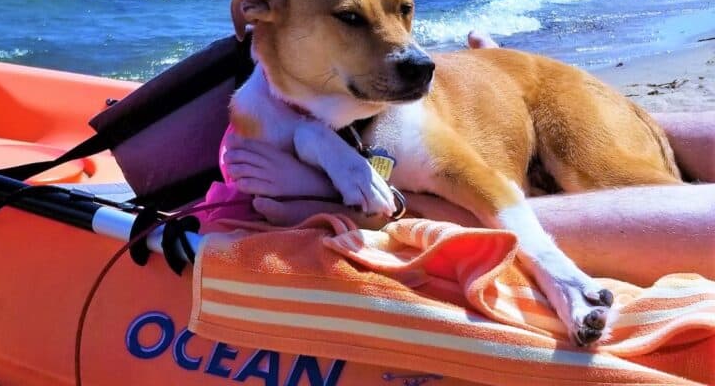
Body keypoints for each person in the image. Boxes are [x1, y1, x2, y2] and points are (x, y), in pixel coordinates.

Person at [222, 31, 715, 286]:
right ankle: (512, 84)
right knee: (617, 136)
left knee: (599, 173)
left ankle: (367, 198)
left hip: (542, 98)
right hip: (531, 91)